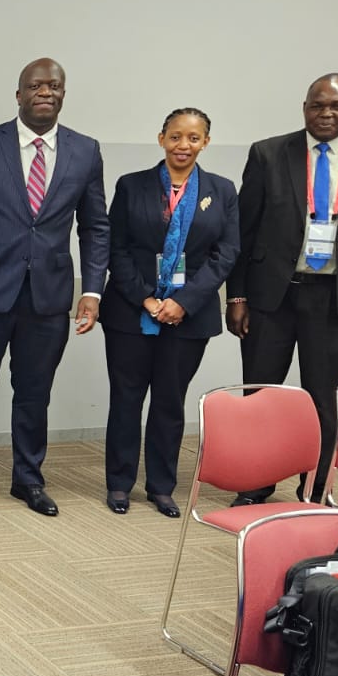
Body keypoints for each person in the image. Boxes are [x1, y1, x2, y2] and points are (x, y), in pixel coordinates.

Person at [225, 73, 338, 504]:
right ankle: (256, 482)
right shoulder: (269, 153)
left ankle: (316, 487)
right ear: (304, 107)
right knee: (262, 394)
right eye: (316, 105)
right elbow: (244, 232)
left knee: (326, 399)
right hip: (274, 296)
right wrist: (237, 296)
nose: (325, 114)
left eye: (336, 106)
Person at [0, 58, 108, 517]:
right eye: (35, 85)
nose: (45, 92)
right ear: (19, 95)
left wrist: (92, 290)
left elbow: (96, 227)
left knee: (35, 394)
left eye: (54, 85)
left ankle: (28, 479)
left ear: (64, 94)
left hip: (49, 297)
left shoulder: (85, 150)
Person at [99, 109, 239, 516]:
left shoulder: (222, 190)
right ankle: (119, 484)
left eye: (193, 138)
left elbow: (226, 253)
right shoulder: (132, 185)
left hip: (189, 317)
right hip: (131, 312)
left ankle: (161, 487)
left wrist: (184, 301)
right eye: (175, 136)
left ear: (205, 143)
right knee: (126, 400)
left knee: (169, 401)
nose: (183, 145)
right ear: (161, 138)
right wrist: (146, 298)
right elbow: (116, 248)